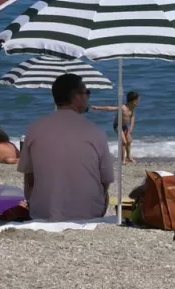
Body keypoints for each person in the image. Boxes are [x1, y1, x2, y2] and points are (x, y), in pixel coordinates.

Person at [17, 73, 114, 220]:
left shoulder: (34, 129)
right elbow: (105, 180)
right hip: (89, 214)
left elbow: (29, 178)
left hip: (43, 212)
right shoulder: (95, 132)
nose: (88, 97)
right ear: (76, 97)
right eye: (87, 92)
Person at [91, 91, 139, 163]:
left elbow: (132, 116)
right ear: (132, 100)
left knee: (129, 141)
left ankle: (128, 157)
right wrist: (97, 107)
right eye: (137, 101)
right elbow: (109, 108)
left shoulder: (132, 107)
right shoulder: (123, 107)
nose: (138, 102)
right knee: (123, 142)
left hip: (124, 126)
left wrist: (131, 126)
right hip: (117, 126)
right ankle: (122, 159)